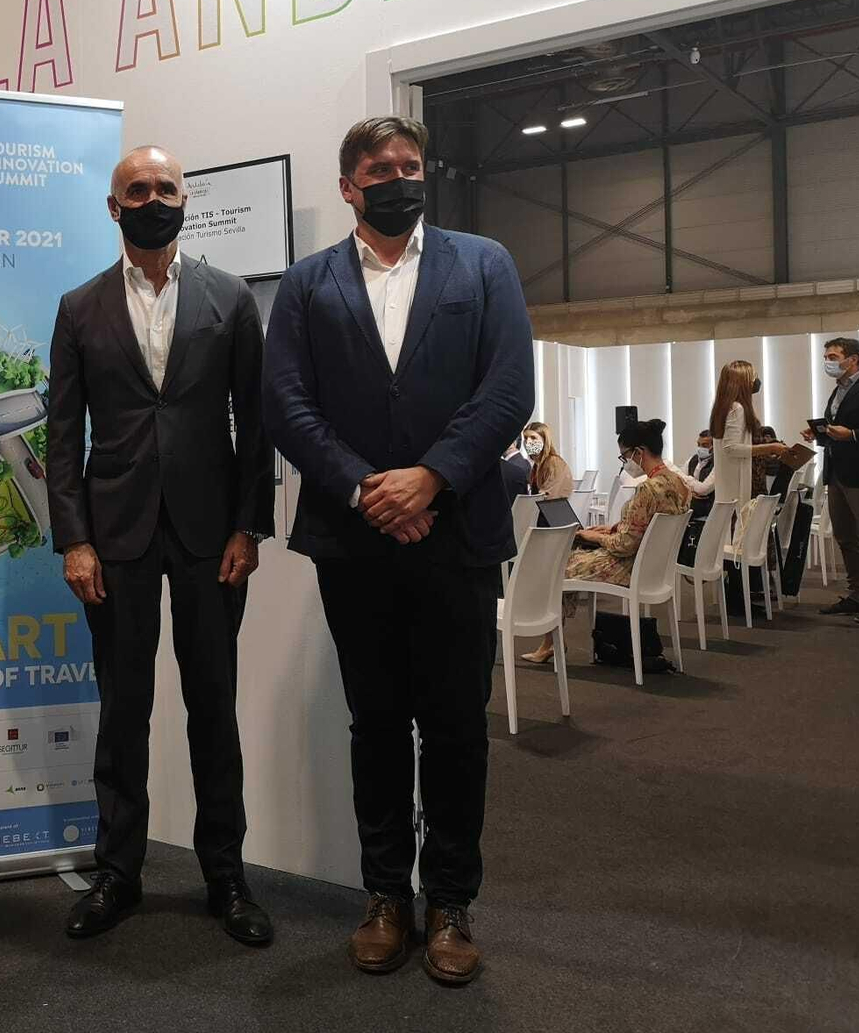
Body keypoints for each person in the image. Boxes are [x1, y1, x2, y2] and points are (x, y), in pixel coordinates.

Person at [264, 117, 533, 986]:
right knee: (375, 725)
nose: (397, 178)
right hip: (354, 541)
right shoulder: (306, 284)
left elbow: (508, 389)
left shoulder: (483, 264)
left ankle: (451, 903)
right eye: (378, 169)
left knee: (456, 729)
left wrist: (431, 479)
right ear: (348, 186)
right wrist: (367, 489)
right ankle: (385, 895)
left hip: (458, 536)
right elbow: (286, 404)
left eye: (409, 165)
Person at [48, 145, 275, 946]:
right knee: (124, 710)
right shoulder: (79, 307)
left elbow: (256, 421)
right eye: (137, 190)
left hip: (213, 536)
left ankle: (227, 877)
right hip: (114, 536)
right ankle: (117, 873)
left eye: (166, 188)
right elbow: (61, 434)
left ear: (186, 198)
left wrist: (250, 526)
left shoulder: (230, 296)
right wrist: (74, 540)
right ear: (114, 207)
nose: (154, 200)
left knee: (214, 705)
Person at [522, 419, 691, 662]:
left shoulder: (648, 489)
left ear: (639, 452)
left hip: (628, 566)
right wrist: (612, 528)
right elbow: (650, 527)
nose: (625, 463)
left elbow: (625, 545)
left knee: (557, 565)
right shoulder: (679, 483)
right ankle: (550, 642)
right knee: (571, 556)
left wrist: (596, 537)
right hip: (654, 567)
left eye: (625, 456)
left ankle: (550, 642)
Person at [804, 337, 859, 620]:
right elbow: (837, 429)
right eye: (826, 357)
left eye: (833, 357)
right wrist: (819, 434)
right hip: (836, 473)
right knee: (846, 536)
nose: (827, 362)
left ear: (853, 359)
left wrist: (854, 435)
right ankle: (858, 595)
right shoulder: (838, 390)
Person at [708, 361, 786, 512]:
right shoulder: (736, 408)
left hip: (736, 479)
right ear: (742, 381)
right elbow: (731, 448)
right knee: (742, 521)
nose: (756, 380)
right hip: (740, 480)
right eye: (753, 376)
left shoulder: (725, 407)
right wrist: (770, 448)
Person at [522, 420, 572, 498]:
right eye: (525, 438)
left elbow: (549, 496)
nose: (528, 442)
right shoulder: (537, 465)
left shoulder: (554, 463)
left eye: (533, 438)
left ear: (545, 440)